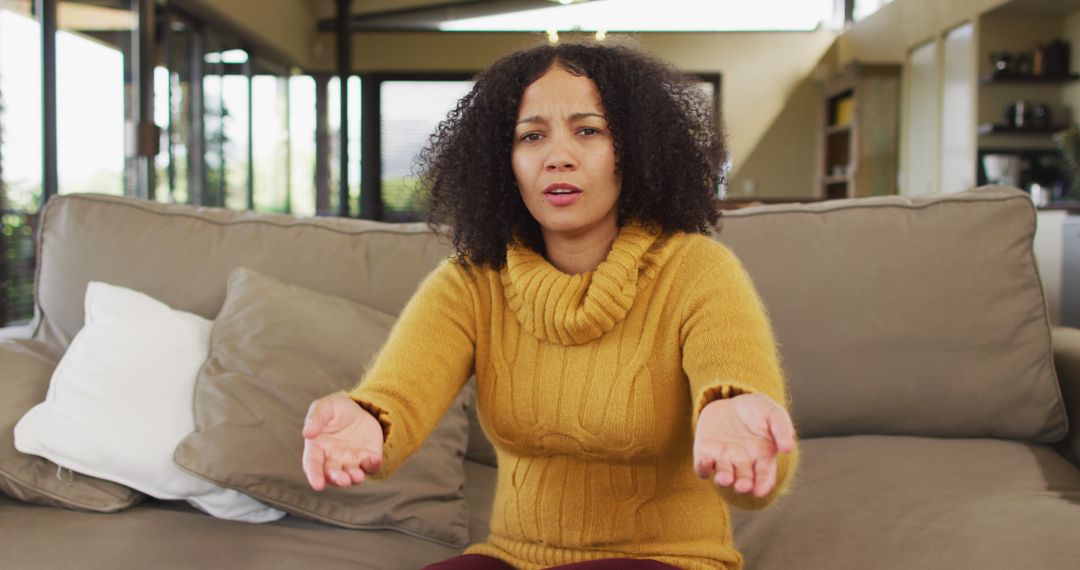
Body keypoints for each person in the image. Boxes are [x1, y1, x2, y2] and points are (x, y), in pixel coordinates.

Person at [301, 40, 798, 570]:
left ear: (634, 149)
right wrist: (367, 423)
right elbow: (398, 395)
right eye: (532, 136)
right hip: (513, 558)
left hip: (666, 559)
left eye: (589, 131)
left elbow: (743, 417)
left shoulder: (697, 271)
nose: (558, 155)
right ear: (503, 161)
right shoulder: (471, 282)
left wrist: (740, 426)